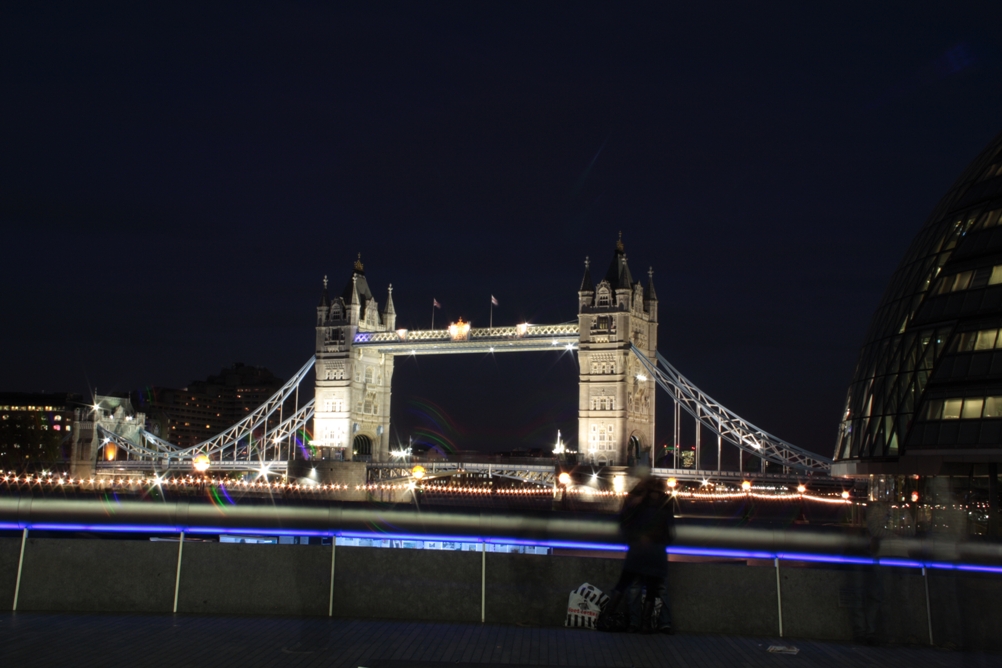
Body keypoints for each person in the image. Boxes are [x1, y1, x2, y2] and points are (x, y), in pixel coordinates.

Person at [598, 473, 675, 634]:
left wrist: (634, 540)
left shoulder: (638, 503)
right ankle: (646, 625)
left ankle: (609, 620)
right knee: (653, 590)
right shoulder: (666, 504)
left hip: (638, 551)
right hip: (656, 553)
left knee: (625, 584)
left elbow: (625, 523)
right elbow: (670, 533)